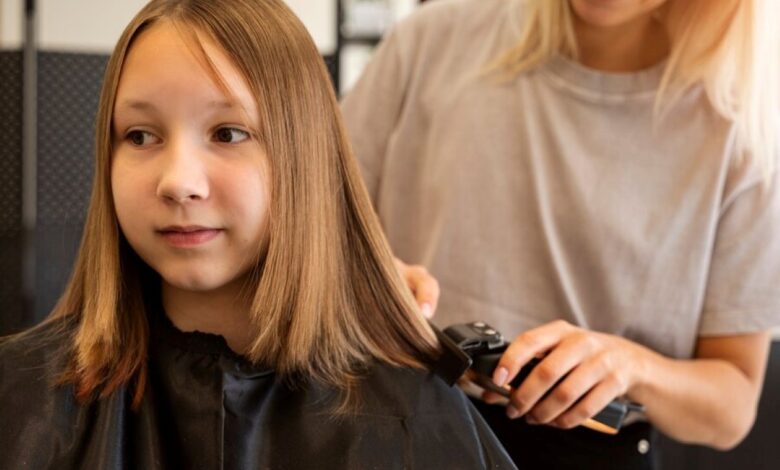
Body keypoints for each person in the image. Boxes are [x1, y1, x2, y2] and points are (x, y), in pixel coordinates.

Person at [0, 1, 517, 468]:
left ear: (303, 158)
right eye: (140, 136)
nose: (178, 181)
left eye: (228, 133)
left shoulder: (414, 417)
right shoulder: (20, 399)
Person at [342, 0, 780, 468]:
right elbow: (303, 221)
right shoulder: (433, 39)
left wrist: (632, 367)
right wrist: (356, 271)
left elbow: (729, 408)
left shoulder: (741, 136)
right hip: (392, 426)